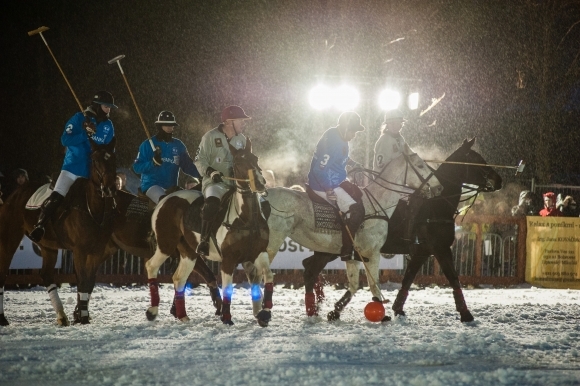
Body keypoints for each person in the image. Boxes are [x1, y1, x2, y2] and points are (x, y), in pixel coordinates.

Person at [29, 91, 118, 242]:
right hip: (72, 168)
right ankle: (40, 226)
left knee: (108, 197)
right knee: (58, 195)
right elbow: (64, 140)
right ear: (96, 106)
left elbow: (109, 148)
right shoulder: (78, 118)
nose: (108, 109)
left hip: (93, 172)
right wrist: (85, 134)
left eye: (110, 107)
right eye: (105, 106)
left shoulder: (108, 125)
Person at [307, 110, 366, 261]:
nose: (354, 135)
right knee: (356, 211)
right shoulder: (333, 143)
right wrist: (328, 188)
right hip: (323, 184)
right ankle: (347, 251)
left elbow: (340, 156)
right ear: (346, 128)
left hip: (336, 180)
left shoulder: (338, 134)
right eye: (353, 131)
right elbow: (318, 170)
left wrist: (353, 163)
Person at [194, 105, 251, 256]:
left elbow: (248, 162)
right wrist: (211, 172)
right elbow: (199, 160)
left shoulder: (243, 140)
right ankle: (204, 241)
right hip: (215, 183)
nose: (244, 123)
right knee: (212, 203)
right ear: (229, 122)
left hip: (236, 185)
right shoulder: (210, 137)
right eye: (241, 120)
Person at [133, 111, 200, 204]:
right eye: (166, 125)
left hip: (171, 187)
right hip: (152, 185)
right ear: (160, 126)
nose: (170, 128)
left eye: (172, 125)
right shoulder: (147, 144)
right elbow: (136, 167)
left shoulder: (178, 145)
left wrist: (201, 174)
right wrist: (152, 163)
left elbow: (188, 165)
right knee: (166, 203)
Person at [373, 109, 420, 241]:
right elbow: (382, 166)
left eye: (399, 123)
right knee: (413, 197)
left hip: (397, 183)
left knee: (419, 193)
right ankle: (404, 234)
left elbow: (410, 156)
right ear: (387, 124)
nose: (397, 125)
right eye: (393, 123)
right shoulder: (385, 140)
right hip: (384, 184)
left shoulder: (400, 138)